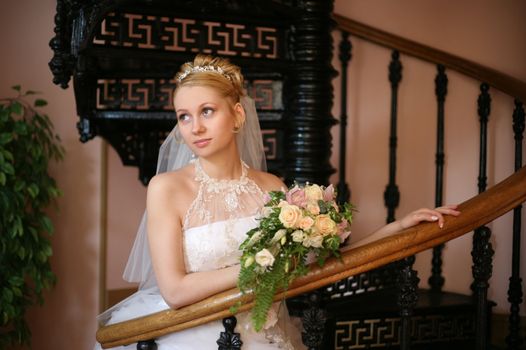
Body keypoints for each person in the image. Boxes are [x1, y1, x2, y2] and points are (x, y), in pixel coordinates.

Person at [94, 54, 460, 350]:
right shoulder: (166, 188)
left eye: (207, 111)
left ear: (237, 114)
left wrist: (396, 229)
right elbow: (174, 292)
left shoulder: (272, 189)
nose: (195, 128)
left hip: (261, 337)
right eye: (184, 117)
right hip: (189, 335)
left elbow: (317, 266)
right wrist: (262, 267)